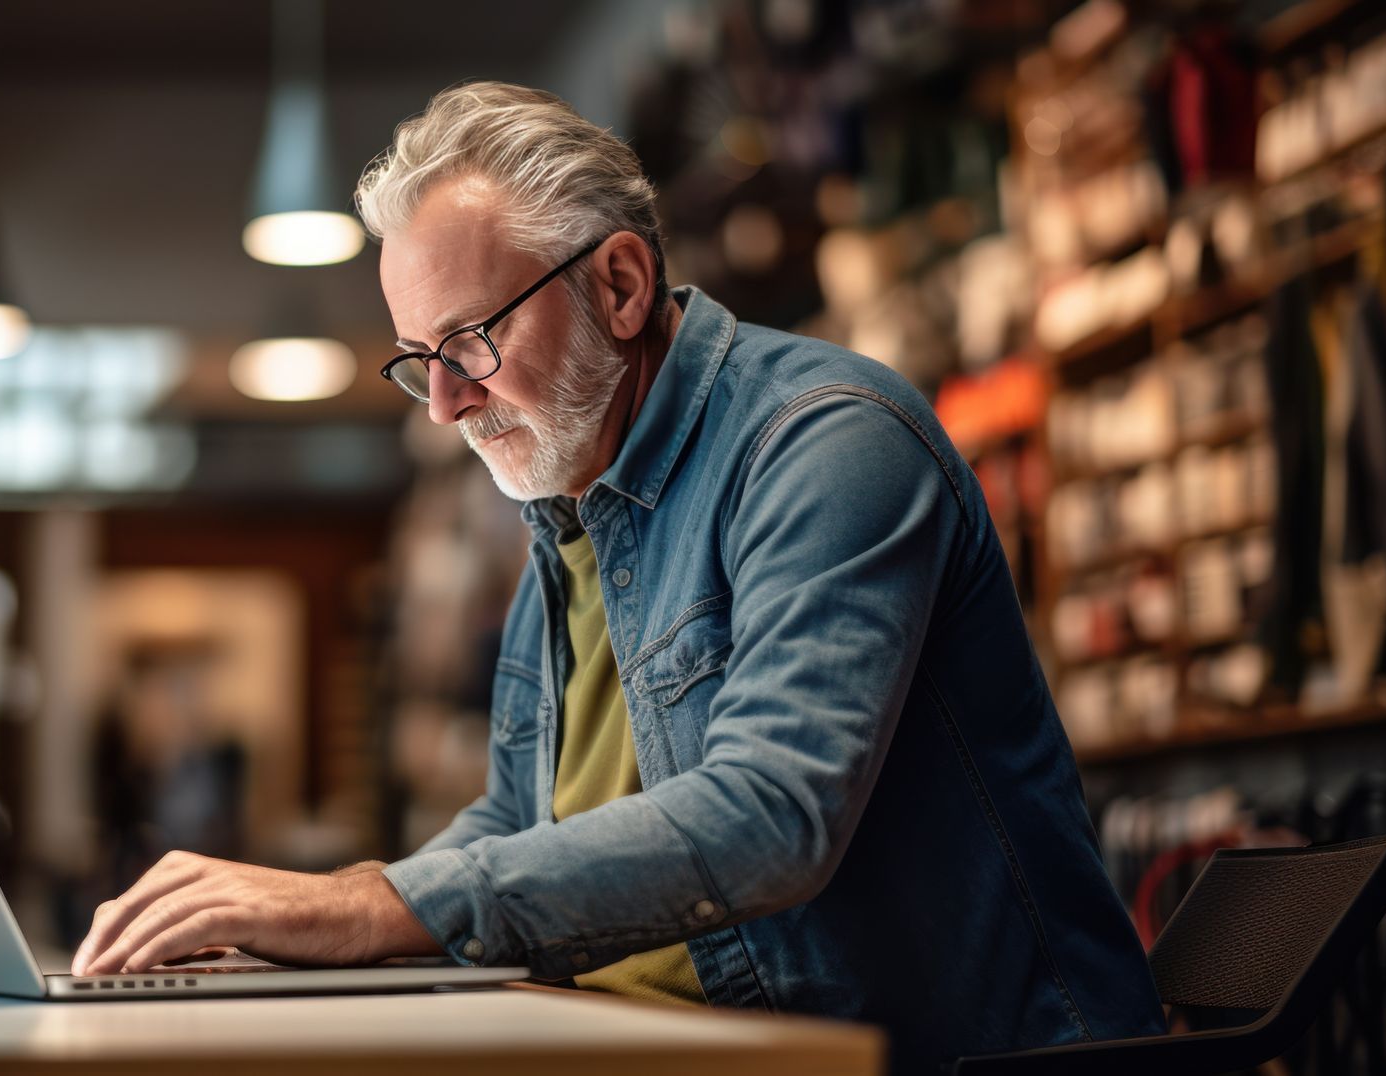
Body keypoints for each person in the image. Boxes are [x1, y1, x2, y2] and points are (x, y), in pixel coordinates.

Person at [73, 81, 1164, 1073]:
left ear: (623, 283)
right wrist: (318, 935)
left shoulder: (829, 443)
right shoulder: (562, 511)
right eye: (420, 362)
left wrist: (373, 903)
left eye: (470, 341)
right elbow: (511, 817)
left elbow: (771, 813)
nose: (447, 403)